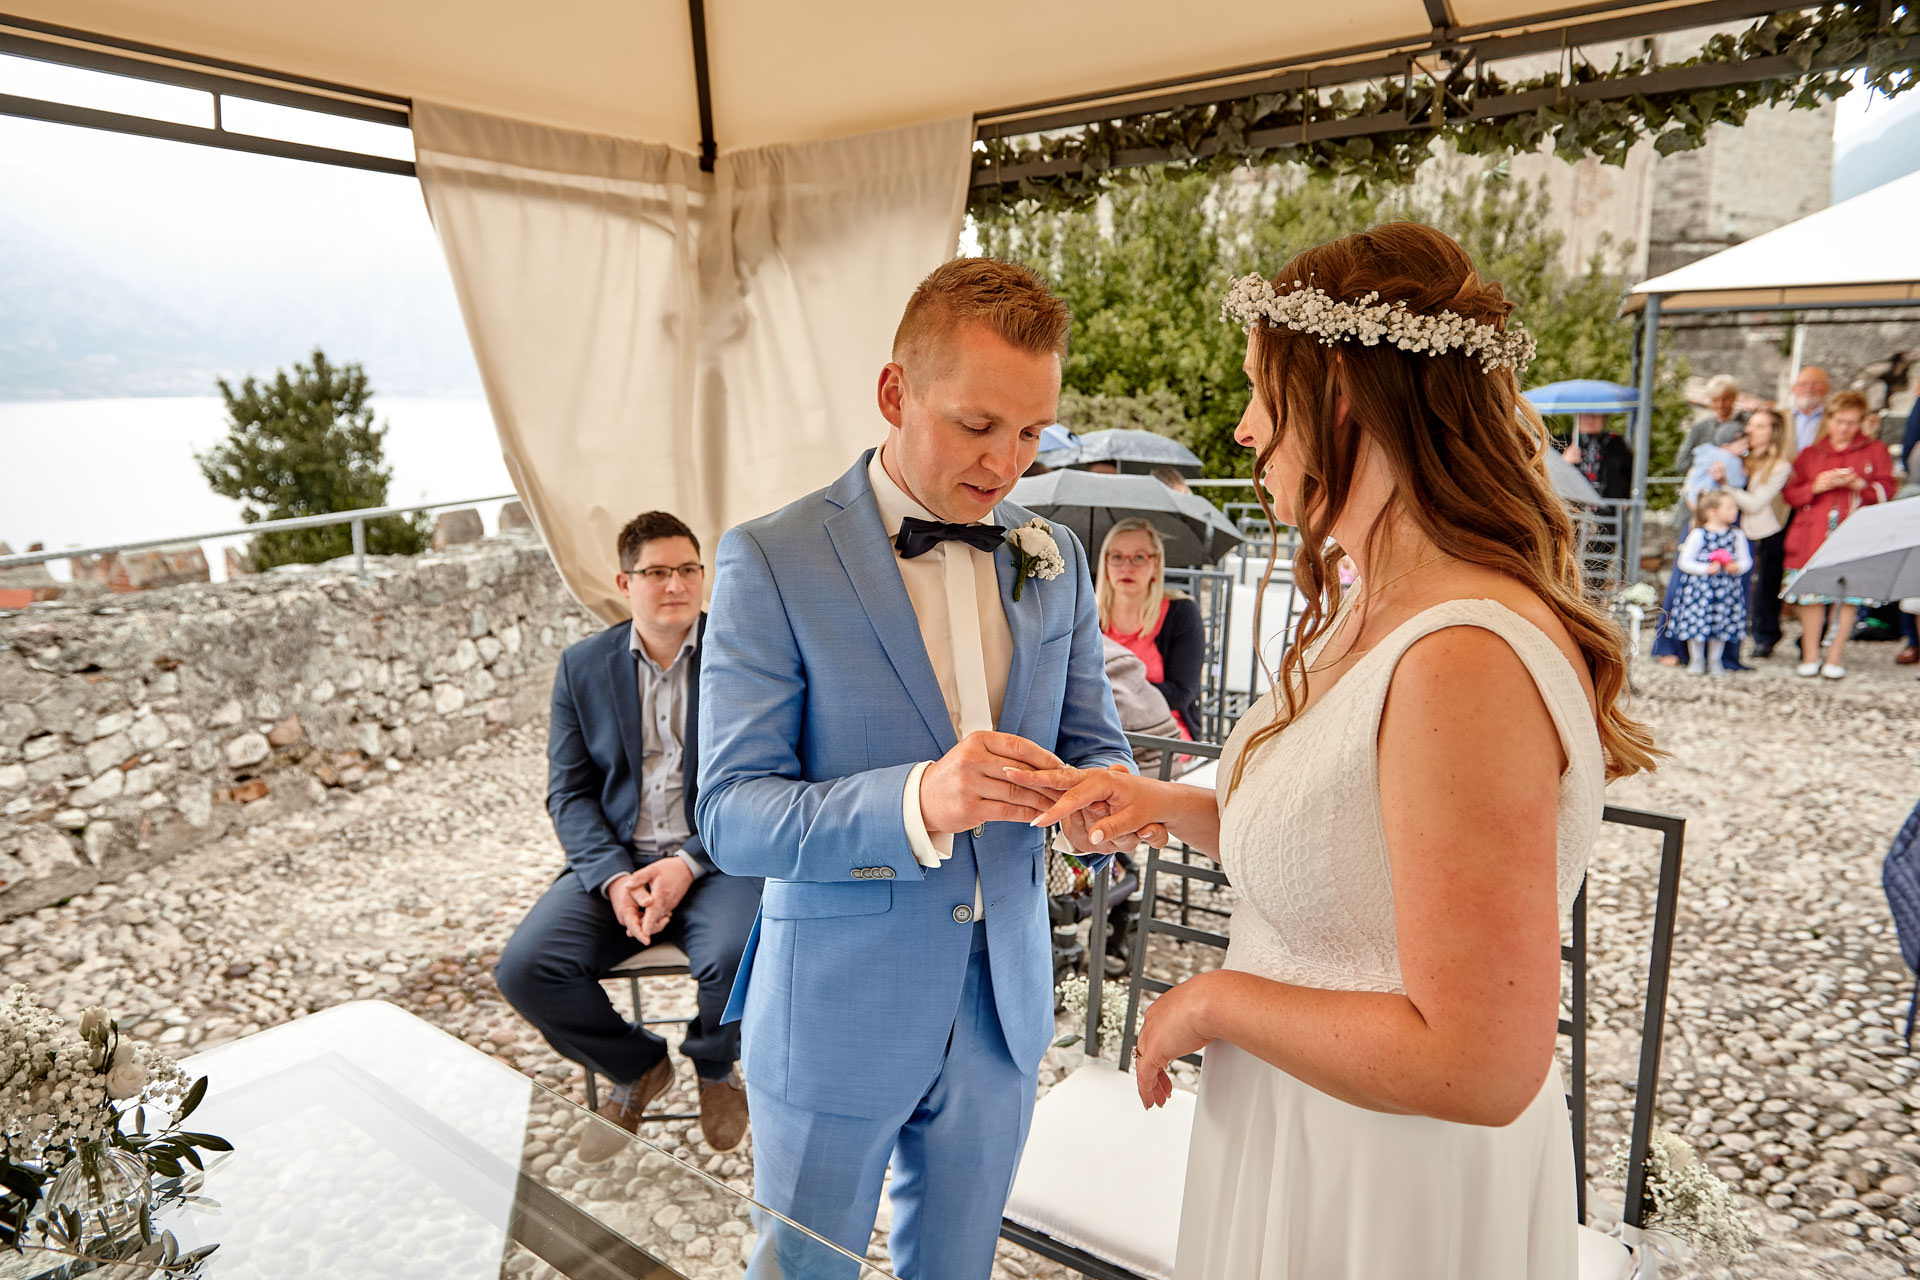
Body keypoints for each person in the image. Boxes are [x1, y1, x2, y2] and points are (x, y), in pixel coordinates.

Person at [1014, 223, 1658, 1279]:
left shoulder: (1463, 657)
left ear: (1343, 399)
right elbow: (1349, 843)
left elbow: (1482, 1059)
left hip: (1388, 1186)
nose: (1243, 429)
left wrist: (1210, 998)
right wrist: (1160, 801)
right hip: (1301, 1131)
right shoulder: (1372, 607)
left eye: (1264, 393)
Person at [696, 257, 1137, 1280]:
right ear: (894, 392)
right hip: (836, 1008)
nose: (1006, 465)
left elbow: (1094, 737)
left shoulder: (1053, 558)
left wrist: (1098, 804)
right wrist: (918, 798)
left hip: (1003, 1009)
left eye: (1032, 433)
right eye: (978, 426)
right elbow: (732, 813)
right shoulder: (770, 557)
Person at [494, 512, 762, 1161]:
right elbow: (570, 791)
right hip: (618, 859)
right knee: (525, 969)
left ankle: (715, 1063)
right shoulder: (583, 667)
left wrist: (687, 866)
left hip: (716, 858)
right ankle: (636, 1066)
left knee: (742, 949)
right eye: (658, 572)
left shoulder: (745, 657)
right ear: (625, 581)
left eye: (689, 569)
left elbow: (764, 776)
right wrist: (615, 878)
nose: (676, 584)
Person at [1781, 389, 1898, 678]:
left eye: (1852, 422)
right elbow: (1791, 494)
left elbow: (1887, 490)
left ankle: (1834, 656)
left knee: (1847, 596)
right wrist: (1815, 487)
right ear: (1829, 420)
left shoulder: (1874, 451)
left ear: (1861, 422)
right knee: (1812, 594)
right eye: (1840, 421)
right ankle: (1810, 654)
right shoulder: (1811, 454)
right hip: (1812, 535)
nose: (1844, 428)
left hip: (1854, 533)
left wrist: (1861, 485)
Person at [1097, 517, 1203, 738]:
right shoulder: (1087, 613)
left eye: (1139, 557)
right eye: (1117, 557)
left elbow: (1182, 692)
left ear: (1156, 564)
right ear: (1105, 563)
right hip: (1099, 724)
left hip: (1162, 730)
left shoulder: (1181, 612)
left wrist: (1108, 694)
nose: (1127, 566)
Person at [1726, 406, 1794, 658]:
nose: (1751, 430)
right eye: (1751, 425)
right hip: (1735, 528)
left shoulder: (1780, 466)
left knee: (1766, 583)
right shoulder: (1741, 457)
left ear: (1773, 432)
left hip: (1766, 530)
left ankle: (1765, 636)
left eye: (1760, 426)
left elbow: (1755, 503)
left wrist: (1726, 485)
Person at [1668, 490, 1754, 676]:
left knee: (1721, 624)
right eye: (1729, 507)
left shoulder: (1737, 534)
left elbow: (1746, 561)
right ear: (1712, 511)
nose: (1735, 511)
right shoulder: (1699, 534)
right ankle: (1696, 659)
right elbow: (1684, 562)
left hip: (1726, 590)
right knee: (1697, 624)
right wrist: (1706, 569)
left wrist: (1736, 567)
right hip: (1700, 590)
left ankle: (1716, 660)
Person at [1673, 373, 1747, 469]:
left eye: (1725, 399)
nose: (1720, 405)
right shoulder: (1699, 427)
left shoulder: (1747, 423)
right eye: (1715, 400)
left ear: (1734, 398)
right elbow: (1682, 463)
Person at [1560, 412, 1632, 500]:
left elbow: (1629, 473)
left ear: (1604, 418)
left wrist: (1625, 497)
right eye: (1586, 415)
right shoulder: (1560, 442)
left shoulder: (1616, 444)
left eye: (1596, 415)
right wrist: (1564, 462)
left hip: (1608, 507)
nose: (1590, 419)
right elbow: (1547, 478)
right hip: (1570, 508)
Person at [1788, 365, 1832, 452]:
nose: (1809, 388)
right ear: (1793, 389)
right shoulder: (1781, 418)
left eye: (1816, 384)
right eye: (1803, 384)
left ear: (1827, 388)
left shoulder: (1835, 419)